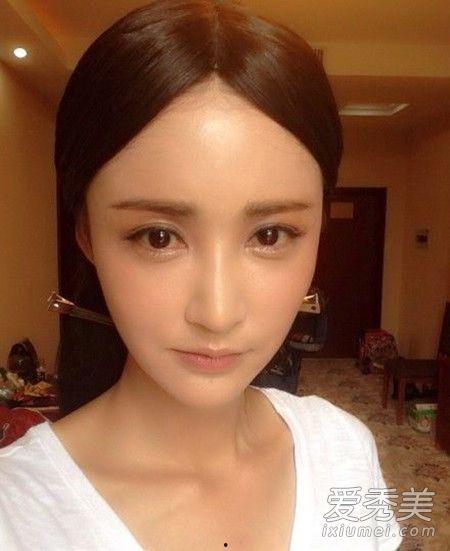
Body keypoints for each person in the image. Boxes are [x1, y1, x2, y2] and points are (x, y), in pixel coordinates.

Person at [0, 1, 403, 549]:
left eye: (270, 235)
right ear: (88, 235)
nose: (217, 313)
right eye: (158, 237)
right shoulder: (17, 516)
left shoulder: (343, 450)